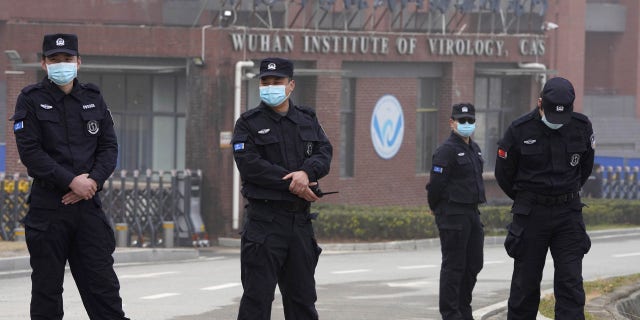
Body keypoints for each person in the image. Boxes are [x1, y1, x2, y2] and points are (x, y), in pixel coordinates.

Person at [11, 33, 128, 320]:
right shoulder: (30, 100)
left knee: (104, 292)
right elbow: (31, 153)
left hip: (88, 209)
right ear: (43, 63)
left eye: (67, 59)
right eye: (54, 59)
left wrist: (91, 183)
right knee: (47, 294)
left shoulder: (93, 97)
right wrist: (71, 181)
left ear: (78, 61)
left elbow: (109, 147)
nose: (61, 64)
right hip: (48, 209)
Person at [231, 57, 333, 320]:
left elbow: (324, 152)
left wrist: (306, 173)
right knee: (257, 301)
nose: (270, 86)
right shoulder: (247, 123)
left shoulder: (307, 119)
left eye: (277, 81)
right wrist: (295, 183)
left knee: (303, 302)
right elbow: (250, 165)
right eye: (265, 81)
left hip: (299, 224)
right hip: (264, 224)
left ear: (291, 85)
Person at [495, 77, 594, 319]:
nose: (557, 121)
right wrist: (528, 198)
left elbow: (585, 167)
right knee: (525, 286)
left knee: (571, 284)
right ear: (540, 103)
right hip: (532, 215)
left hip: (568, 215)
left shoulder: (581, 126)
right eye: (551, 114)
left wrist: (565, 193)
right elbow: (504, 174)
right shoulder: (519, 130)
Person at [426, 103, 486, 320]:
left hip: (472, 213)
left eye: (471, 121)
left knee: (474, 263)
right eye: (462, 121)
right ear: (452, 123)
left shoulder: (474, 149)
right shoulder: (446, 151)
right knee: (454, 267)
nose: (467, 124)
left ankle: (463, 308)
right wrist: (436, 208)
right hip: (453, 215)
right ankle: (451, 313)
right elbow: (435, 186)